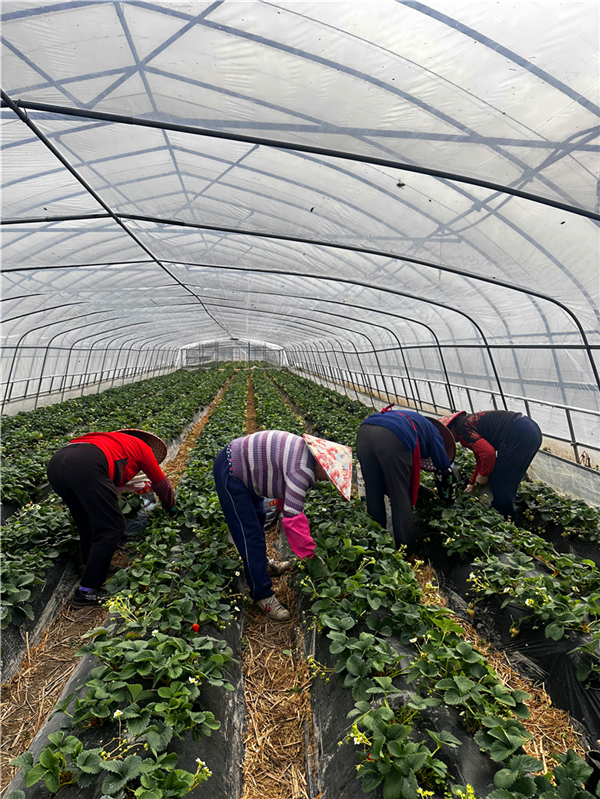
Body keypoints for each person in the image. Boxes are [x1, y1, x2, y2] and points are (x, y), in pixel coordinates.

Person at [213, 430, 352, 621]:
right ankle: (261, 595)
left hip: (244, 467)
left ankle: (262, 565)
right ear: (322, 465)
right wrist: (310, 557)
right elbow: (293, 519)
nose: (327, 480)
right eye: (330, 475)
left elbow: (284, 491)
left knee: (258, 519)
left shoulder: (303, 455)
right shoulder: (302, 470)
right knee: (249, 535)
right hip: (231, 471)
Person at [47, 429, 175, 608]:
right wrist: (171, 507)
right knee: (113, 526)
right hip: (85, 464)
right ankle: (87, 592)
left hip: (56, 464)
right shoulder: (143, 449)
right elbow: (161, 484)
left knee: (86, 521)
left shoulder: (111, 442)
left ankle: (94, 567)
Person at [356, 405, 456, 549]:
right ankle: (406, 551)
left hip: (364, 431)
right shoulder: (436, 435)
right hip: (391, 436)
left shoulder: (416, 421)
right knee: (400, 496)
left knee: (373, 492)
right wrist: (448, 499)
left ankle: (375, 546)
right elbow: (445, 471)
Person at [439, 410, 542, 518]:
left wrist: (483, 475)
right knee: (508, 479)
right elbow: (480, 459)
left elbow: (488, 454)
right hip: (530, 430)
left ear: (451, 428)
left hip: (520, 433)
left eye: (446, 434)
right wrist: (473, 483)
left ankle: (505, 518)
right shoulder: (466, 425)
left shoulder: (462, 431)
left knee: (500, 480)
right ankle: (503, 513)